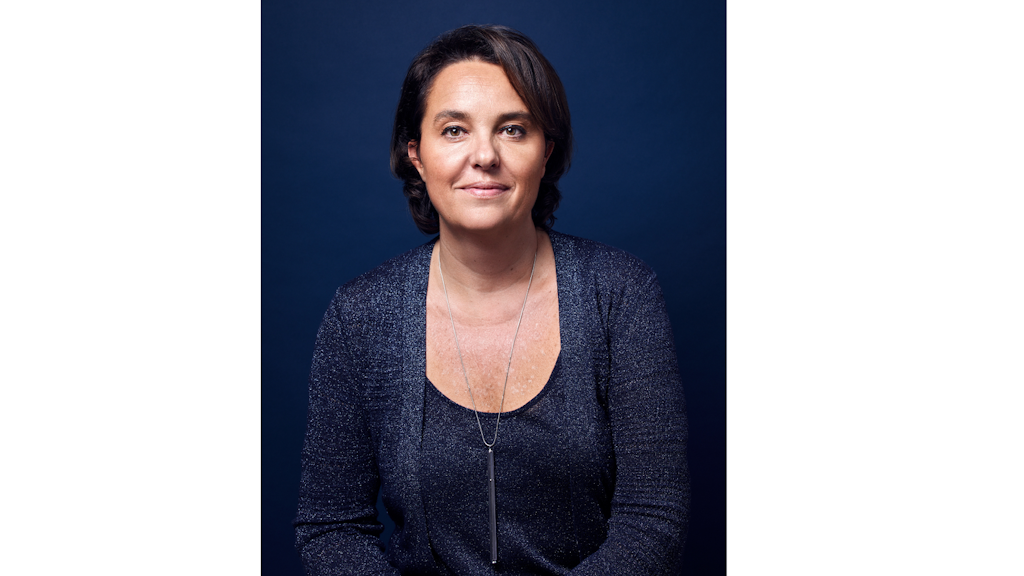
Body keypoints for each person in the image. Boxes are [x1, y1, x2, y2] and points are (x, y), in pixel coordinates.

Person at [294, 24, 689, 575]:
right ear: (416, 154)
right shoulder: (359, 316)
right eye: (454, 130)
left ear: (546, 152)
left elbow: (653, 519)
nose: (484, 155)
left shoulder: (620, 293)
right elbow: (330, 528)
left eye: (512, 129)